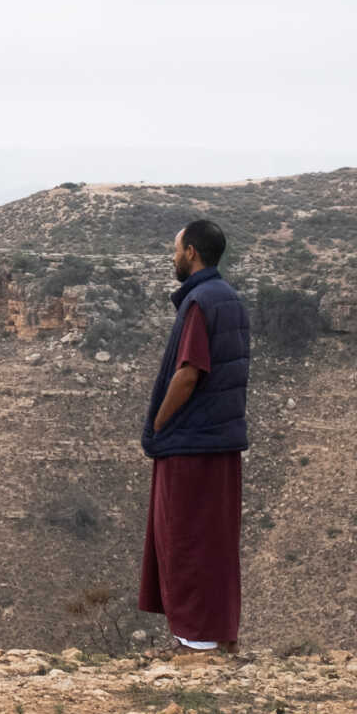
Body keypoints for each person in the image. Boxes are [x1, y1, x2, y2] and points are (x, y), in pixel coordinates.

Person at [137, 217, 248, 654]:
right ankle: (219, 638)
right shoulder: (231, 299)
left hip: (191, 444)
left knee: (184, 538)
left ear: (191, 253)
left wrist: (159, 423)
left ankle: (195, 643)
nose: (173, 255)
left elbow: (188, 373)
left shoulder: (199, 303)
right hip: (221, 441)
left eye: (176, 248)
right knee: (215, 540)